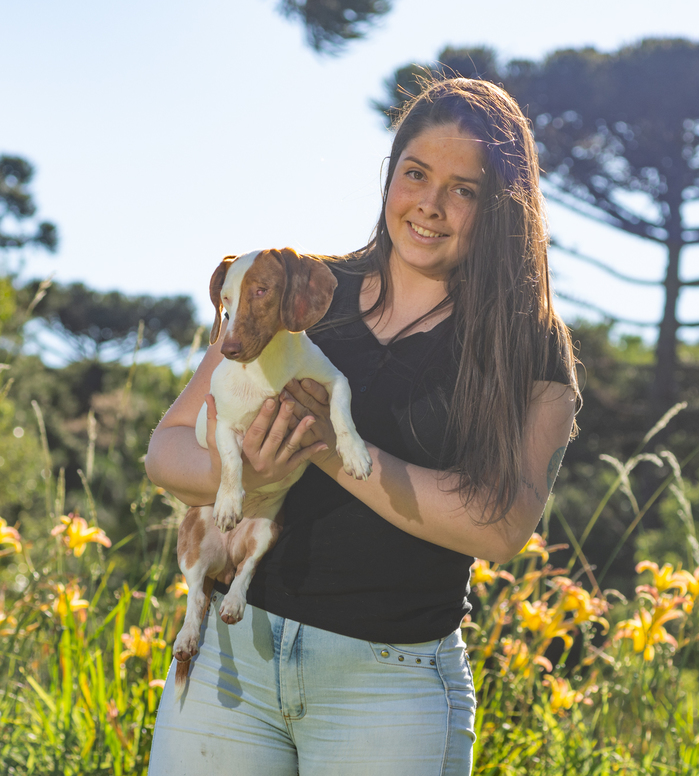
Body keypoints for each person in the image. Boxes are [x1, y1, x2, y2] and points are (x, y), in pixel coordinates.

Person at [144, 76, 579, 776]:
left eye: (463, 190)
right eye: (415, 175)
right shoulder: (300, 287)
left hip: (387, 687)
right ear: (390, 175)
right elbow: (166, 450)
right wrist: (248, 474)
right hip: (232, 663)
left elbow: (502, 526)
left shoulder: (528, 344)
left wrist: (335, 450)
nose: (429, 206)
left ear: (498, 207)